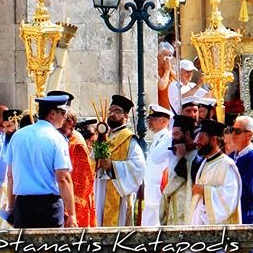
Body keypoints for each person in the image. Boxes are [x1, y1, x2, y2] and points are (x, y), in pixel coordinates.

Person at [187, 119, 242, 253]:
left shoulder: (227, 165)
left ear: (214, 140)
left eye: (201, 138)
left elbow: (230, 197)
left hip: (217, 229)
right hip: (200, 225)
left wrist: (206, 191)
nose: (197, 141)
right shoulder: (204, 163)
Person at [6, 93, 76, 228]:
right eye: (62, 112)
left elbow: (10, 176)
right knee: (50, 248)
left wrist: (10, 207)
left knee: (25, 248)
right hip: (49, 207)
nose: (64, 117)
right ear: (52, 114)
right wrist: (72, 213)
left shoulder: (18, 136)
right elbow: (63, 178)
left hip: (23, 205)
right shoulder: (57, 139)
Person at [94, 94, 145, 226]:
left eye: (117, 112)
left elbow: (139, 167)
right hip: (101, 189)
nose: (112, 114)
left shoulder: (129, 139)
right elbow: (91, 161)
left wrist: (112, 166)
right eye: (110, 111)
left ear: (126, 117)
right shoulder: (106, 135)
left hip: (120, 192)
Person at [60, 109, 96, 227]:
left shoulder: (77, 144)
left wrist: (70, 210)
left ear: (70, 124)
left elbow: (83, 180)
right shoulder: (61, 138)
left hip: (74, 203)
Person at [159, 114, 196, 226]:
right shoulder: (175, 155)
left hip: (188, 214)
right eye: (173, 135)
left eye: (176, 134)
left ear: (187, 134)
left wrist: (182, 159)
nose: (173, 139)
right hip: (172, 211)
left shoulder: (196, 156)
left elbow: (186, 177)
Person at [230, 115, 253, 223]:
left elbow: (248, 190)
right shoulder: (231, 156)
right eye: (232, 130)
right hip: (232, 213)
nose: (233, 134)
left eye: (237, 131)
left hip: (247, 216)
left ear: (249, 134)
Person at [142, 104, 172, 227]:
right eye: (149, 119)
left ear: (164, 121)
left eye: (154, 119)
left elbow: (158, 158)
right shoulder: (156, 138)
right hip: (151, 191)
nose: (150, 122)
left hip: (159, 190)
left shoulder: (167, 138)